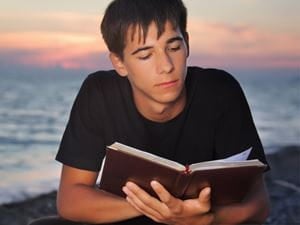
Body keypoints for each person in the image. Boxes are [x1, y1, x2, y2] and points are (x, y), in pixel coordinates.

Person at [29, 0, 270, 224]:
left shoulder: (220, 90)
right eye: (145, 55)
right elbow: (70, 199)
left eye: (174, 47)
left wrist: (202, 219)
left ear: (187, 44)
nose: (166, 66)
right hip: (127, 215)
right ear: (119, 63)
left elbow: (258, 204)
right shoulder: (99, 92)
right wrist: (161, 209)